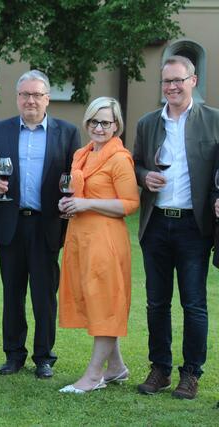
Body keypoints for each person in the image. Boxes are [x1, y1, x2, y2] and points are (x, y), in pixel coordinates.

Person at [133, 55, 219, 400]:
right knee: (156, 303)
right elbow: (136, 163)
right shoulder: (148, 122)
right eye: (166, 82)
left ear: (193, 81)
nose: (171, 87)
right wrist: (144, 177)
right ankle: (160, 369)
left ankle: (191, 373)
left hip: (193, 227)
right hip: (156, 225)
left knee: (194, 304)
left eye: (178, 80)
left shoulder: (213, 120)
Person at [0, 70, 80, 378]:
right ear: (17, 98)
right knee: (13, 294)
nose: (30, 100)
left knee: (44, 295)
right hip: (11, 223)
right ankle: (13, 355)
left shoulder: (67, 132)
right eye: (25, 94)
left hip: (47, 224)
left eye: (37, 95)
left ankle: (43, 357)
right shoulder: (0, 131)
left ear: (48, 98)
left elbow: (74, 178)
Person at [56, 97, 139, 393]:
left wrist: (85, 203)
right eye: (94, 121)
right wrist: (68, 203)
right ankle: (116, 367)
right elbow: (77, 191)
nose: (99, 127)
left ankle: (94, 376)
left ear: (116, 125)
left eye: (106, 122)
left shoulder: (120, 158)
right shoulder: (82, 154)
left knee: (104, 302)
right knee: (92, 299)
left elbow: (130, 203)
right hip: (80, 237)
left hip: (106, 239)